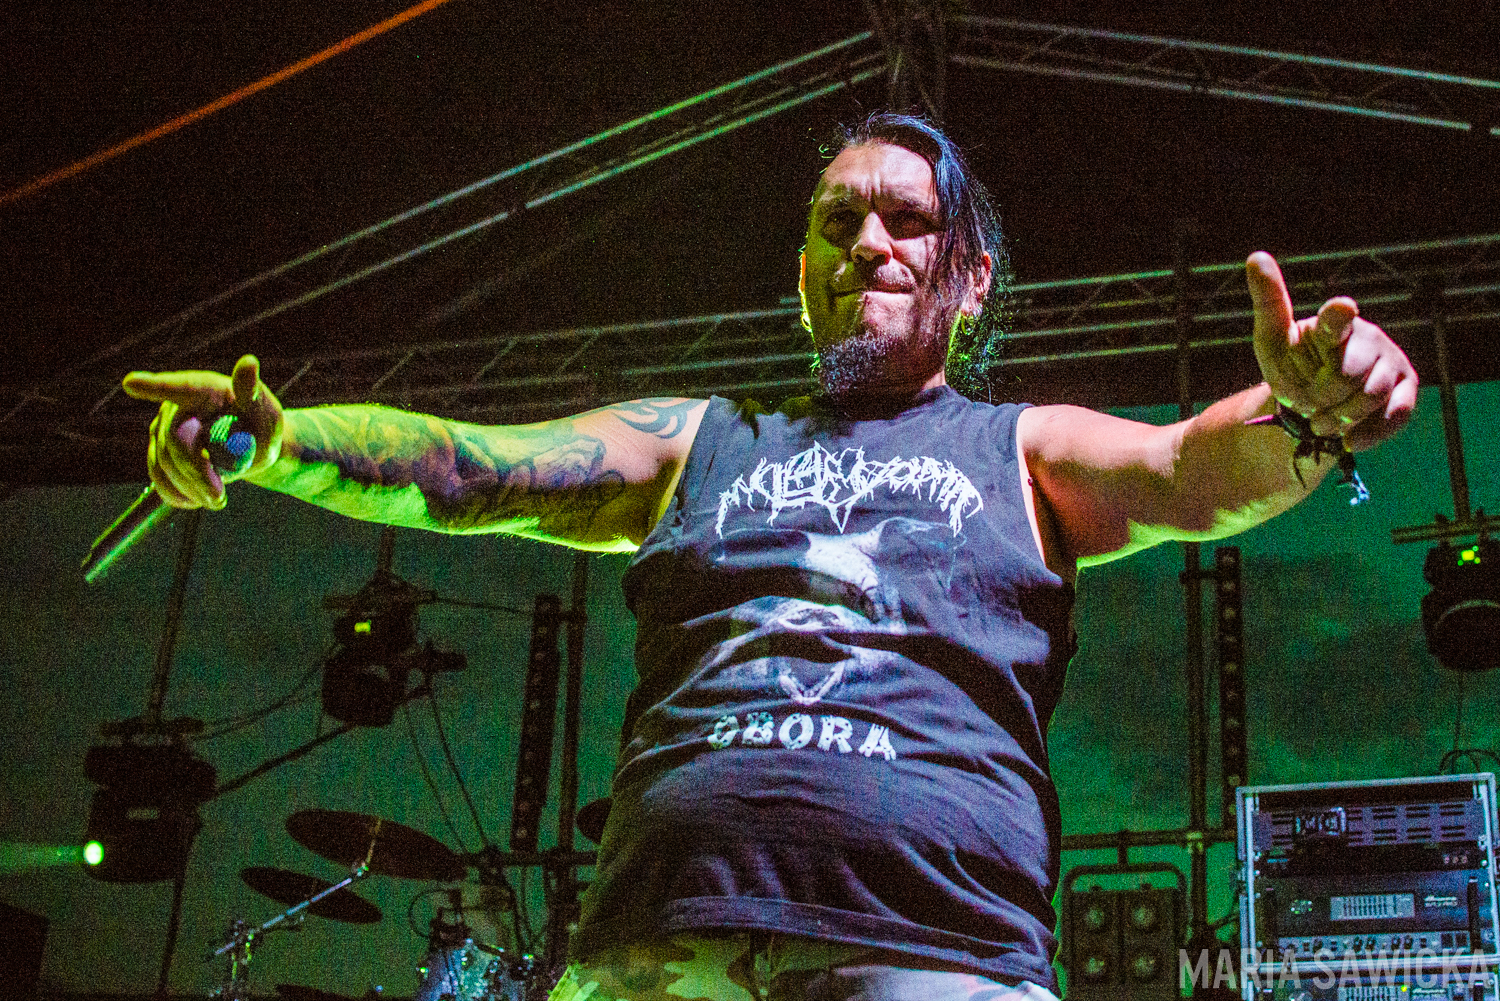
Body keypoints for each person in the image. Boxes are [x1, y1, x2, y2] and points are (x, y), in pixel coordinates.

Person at [124, 113, 1417, 1001]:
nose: (868, 243)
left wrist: (1308, 412)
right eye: (837, 222)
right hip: (652, 954)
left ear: (970, 280)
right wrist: (278, 444)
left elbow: (1191, 471)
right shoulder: (697, 441)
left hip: (937, 954)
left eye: (906, 221)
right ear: (801, 273)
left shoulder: (1020, 446)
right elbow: (471, 469)